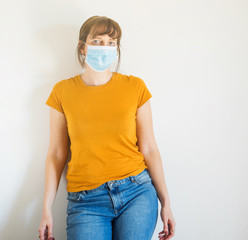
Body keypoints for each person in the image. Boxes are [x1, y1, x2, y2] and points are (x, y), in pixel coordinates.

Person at [38, 15, 176, 240]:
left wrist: (166, 202)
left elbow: (149, 148)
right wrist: (46, 209)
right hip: (86, 202)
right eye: (98, 41)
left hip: (136, 191)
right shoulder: (62, 92)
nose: (106, 47)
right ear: (83, 48)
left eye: (112, 43)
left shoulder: (135, 87)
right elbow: (56, 154)